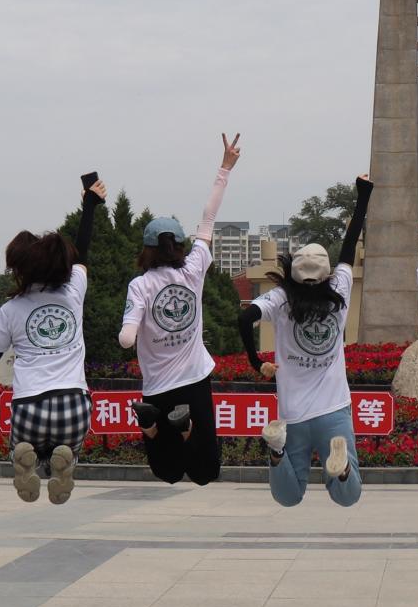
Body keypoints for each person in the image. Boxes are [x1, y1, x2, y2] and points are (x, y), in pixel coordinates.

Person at [238, 175, 374, 511]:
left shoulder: (281, 298)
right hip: (334, 409)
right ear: (326, 273)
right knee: (348, 496)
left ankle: (276, 450)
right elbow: (350, 243)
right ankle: (341, 471)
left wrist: (257, 362)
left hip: (293, 414)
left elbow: (243, 318)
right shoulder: (339, 290)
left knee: (288, 496)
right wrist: (363, 195)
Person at [119, 134, 240, 486]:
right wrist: (225, 167)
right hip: (195, 379)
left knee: (167, 471)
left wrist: (131, 333)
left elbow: (126, 339)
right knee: (206, 472)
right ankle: (185, 427)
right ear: (180, 246)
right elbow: (208, 218)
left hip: (157, 387)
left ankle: (151, 425)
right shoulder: (194, 268)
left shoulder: (140, 286)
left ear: (147, 250)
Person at [0, 177, 107, 504]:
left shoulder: (11, 309)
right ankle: (65, 461)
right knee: (67, 448)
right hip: (73, 403)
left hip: (29, 406)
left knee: (23, 447)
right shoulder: (74, 291)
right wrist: (89, 204)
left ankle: (25, 456)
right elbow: (84, 248)